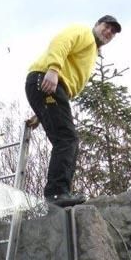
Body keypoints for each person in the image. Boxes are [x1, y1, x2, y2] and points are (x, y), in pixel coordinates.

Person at [25, 15, 122, 207]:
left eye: (113, 32)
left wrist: (41, 114)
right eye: (106, 26)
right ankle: (56, 193)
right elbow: (61, 41)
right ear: (97, 24)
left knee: (66, 139)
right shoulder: (84, 32)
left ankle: (60, 193)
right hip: (46, 79)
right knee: (67, 139)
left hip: (49, 88)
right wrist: (53, 69)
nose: (109, 32)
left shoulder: (93, 52)